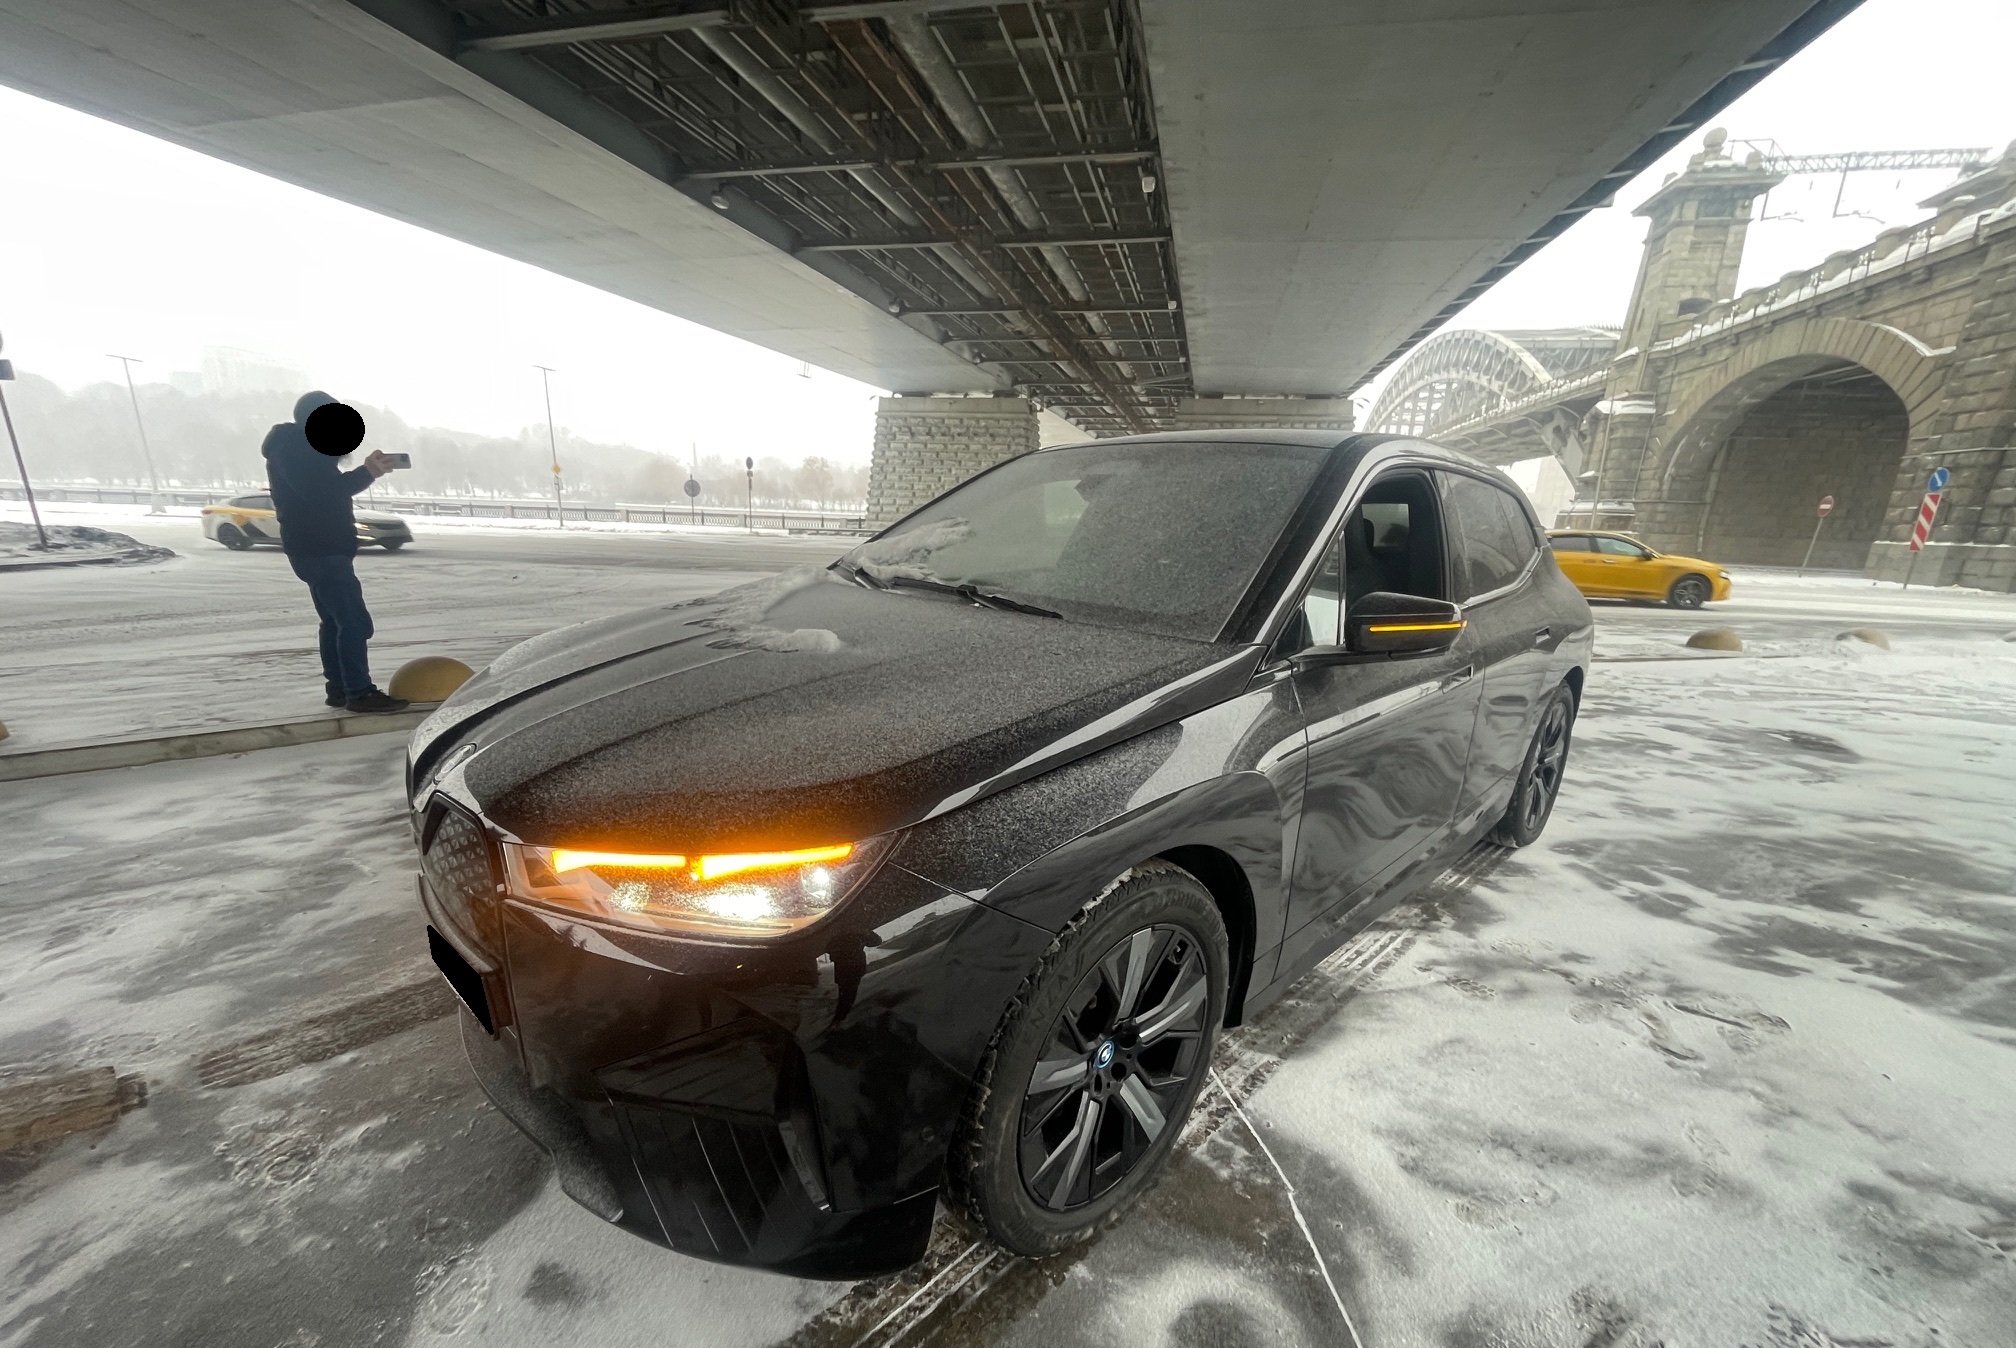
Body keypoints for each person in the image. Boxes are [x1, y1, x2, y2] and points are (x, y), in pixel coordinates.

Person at [263, 391, 408, 713]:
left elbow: (323, 490)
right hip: (320, 550)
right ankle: (359, 692)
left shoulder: (300, 452)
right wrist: (367, 472)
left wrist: (366, 472)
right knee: (354, 623)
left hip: (318, 549)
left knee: (334, 621)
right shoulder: (294, 451)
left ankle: (340, 689)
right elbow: (322, 494)